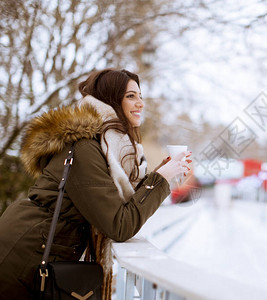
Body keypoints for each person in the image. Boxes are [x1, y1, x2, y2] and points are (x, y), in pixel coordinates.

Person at [0, 68, 191, 299]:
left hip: (40, 251)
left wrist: (160, 173)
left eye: (141, 96)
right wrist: (162, 179)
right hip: (24, 254)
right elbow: (120, 225)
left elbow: (114, 204)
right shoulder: (84, 148)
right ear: (109, 98)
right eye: (131, 96)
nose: (140, 103)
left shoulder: (103, 147)